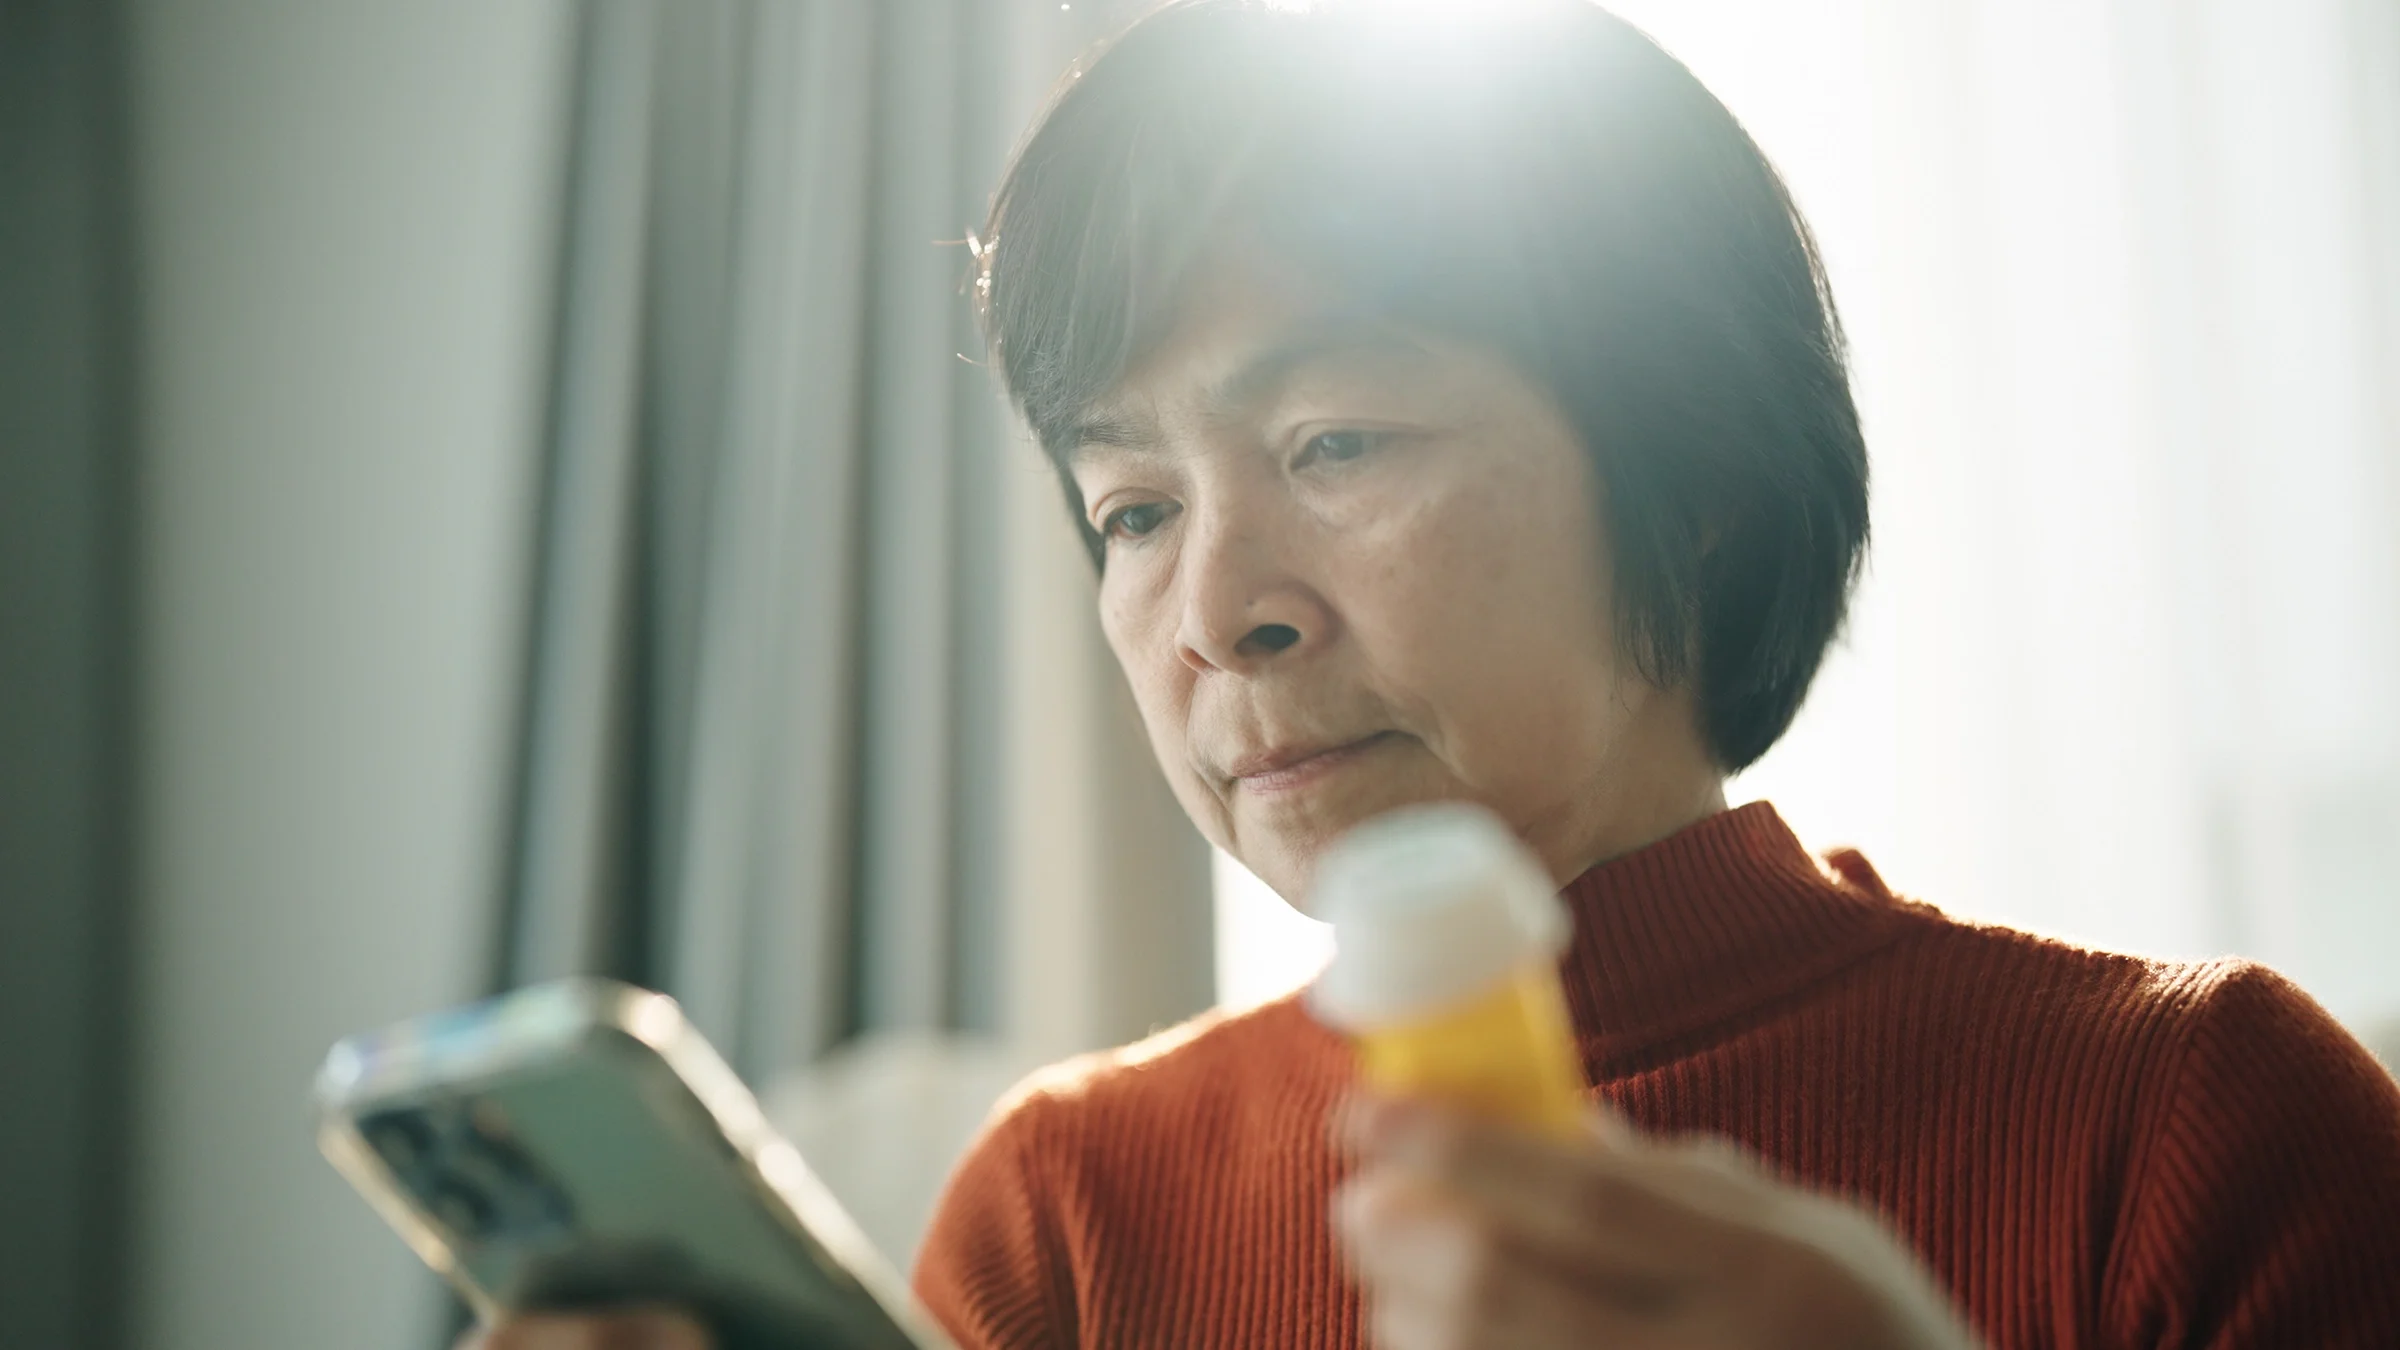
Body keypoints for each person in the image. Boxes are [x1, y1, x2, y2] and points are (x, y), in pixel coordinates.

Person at [472, 2, 2400, 1347]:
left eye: (1337, 444)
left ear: (1700, 493)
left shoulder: (2197, 1123)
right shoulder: (1065, 1217)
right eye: (1131, 508)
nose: (1220, 610)